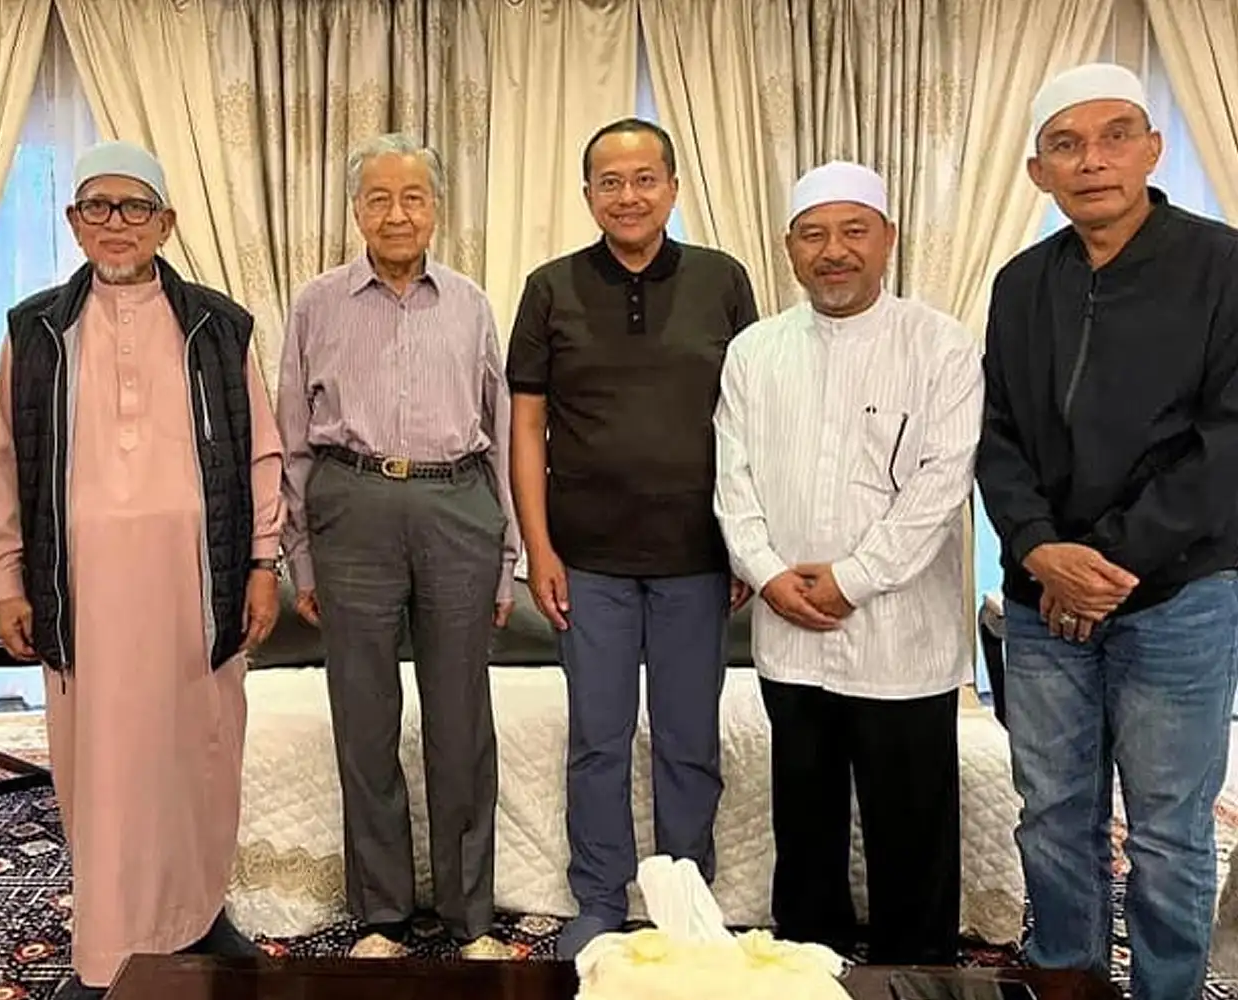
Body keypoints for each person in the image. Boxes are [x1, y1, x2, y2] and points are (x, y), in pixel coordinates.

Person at [0, 140, 284, 998]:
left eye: (135, 206)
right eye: (98, 207)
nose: (117, 224)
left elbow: (262, 454)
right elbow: (5, 465)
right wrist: (7, 580)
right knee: (102, 767)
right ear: (75, 222)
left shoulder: (220, 327)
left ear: (166, 222)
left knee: (200, 753)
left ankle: (199, 910)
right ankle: (111, 939)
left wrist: (263, 562)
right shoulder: (34, 331)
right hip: (86, 591)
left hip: (194, 584)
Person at [976, 62, 1238, 1000]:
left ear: (1152, 150)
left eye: (1114, 136)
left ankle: (1166, 989)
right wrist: (1040, 549)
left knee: (1167, 828)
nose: (1093, 160)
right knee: (1051, 812)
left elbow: (1227, 442)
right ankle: (1066, 978)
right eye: (1067, 144)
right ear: (1038, 170)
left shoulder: (1222, 265)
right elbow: (997, 434)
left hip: (1178, 593)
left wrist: (1108, 564)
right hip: (1044, 595)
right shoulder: (1021, 284)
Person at [713, 160, 982, 964]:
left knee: (913, 839)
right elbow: (732, 476)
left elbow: (943, 482)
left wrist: (852, 578)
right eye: (814, 235)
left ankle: (918, 977)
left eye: (853, 231)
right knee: (805, 835)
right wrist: (766, 571)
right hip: (790, 637)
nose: (834, 251)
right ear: (789, 248)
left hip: (902, 641)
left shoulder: (941, 345)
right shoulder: (755, 351)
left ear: (888, 238)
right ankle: (808, 969)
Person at [506, 118, 759, 960]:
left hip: (697, 560)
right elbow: (527, 424)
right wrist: (539, 548)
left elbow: (750, 420)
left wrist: (746, 545)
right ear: (588, 196)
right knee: (598, 741)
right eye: (609, 182)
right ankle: (600, 898)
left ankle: (687, 900)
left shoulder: (723, 280)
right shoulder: (550, 288)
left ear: (673, 187)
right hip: (588, 562)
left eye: (645, 178)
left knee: (690, 743)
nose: (628, 196)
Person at [276, 132, 519, 961]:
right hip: (353, 506)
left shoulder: (471, 304)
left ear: (436, 209)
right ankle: (382, 915)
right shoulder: (316, 304)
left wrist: (507, 558)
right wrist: (301, 556)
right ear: (356, 211)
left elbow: (502, 434)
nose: (396, 214)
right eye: (378, 198)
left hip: (458, 507)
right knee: (364, 716)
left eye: (412, 197)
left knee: (462, 720)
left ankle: (469, 917)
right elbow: (294, 437)